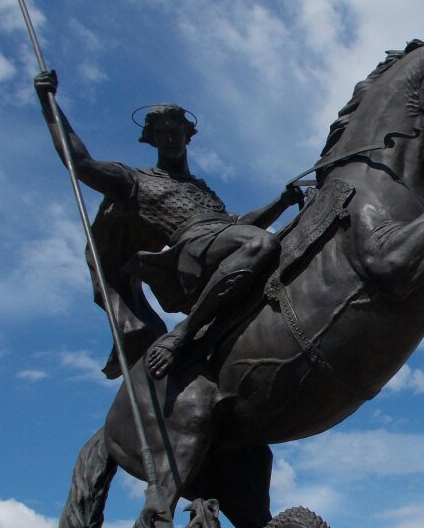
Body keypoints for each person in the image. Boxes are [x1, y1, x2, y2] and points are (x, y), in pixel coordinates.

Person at [35, 70, 301, 379]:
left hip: (224, 239)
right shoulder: (133, 180)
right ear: (151, 139)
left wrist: (282, 201)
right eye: (161, 132)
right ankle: (183, 332)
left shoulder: (201, 187)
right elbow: (80, 163)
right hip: (189, 253)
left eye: (175, 130)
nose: (170, 136)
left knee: (281, 240)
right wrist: (48, 104)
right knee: (262, 243)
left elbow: (237, 223)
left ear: (188, 135)